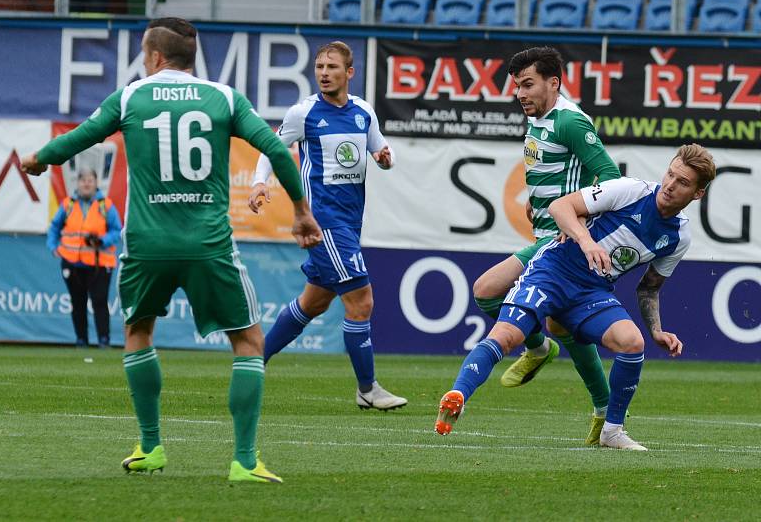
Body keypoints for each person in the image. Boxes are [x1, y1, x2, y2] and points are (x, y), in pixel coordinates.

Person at [20, 17, 322, 483]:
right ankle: (244, 461)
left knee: (139, 332)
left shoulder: (131, 97)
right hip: (208, 244)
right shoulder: (223, 98)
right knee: (248, 342)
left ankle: (150, 446)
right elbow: (279, 152)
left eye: (144, 54)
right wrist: (301, 212)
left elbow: (80, 139)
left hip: (146, 245)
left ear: (156, 57)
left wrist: (39, 160)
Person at [436, 144, 715, 450]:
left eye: (683, 183)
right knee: (505, 335)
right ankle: (458, 396)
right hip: (553, 272)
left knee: (633, 342)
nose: (670, 185)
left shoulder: (678, 237)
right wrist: (586, 240)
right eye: (670, 174)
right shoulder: (631, 191)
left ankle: (612, 430)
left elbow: (649, 287)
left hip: (591, 293)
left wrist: (657, 330)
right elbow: (560, 207)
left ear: (698, 194)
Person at [471, 46, 622, 444]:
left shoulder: (571, 121)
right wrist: (535, 209)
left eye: (528, 84)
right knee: (559, 323)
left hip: (560, 244)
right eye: (517, 86)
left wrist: (579, 221)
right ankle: (598, 404)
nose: (520, 93)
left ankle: (540, 351)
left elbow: (609, 176)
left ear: (553, 83)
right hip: (540, 236)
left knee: (487, 292)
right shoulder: (539, 119)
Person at [248, 41, 407, 411]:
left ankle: (253, 363)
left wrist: (385, 159)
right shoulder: (303, 113)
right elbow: (272, 148)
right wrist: (260, 182)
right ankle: (368, 389)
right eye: (319, 66)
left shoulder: (363, 111)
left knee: (313, 302)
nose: (323, 72)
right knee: (361, 301)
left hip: (350, 222)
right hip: (324, 223)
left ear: (349, 72)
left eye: (332, 67)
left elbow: (383, 152)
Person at [47, 166, 121, 349]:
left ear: (96, 183)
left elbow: (117, 230)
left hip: (99, 263)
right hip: (72, 262)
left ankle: (104, 340)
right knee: (77, 302)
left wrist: (102, 240)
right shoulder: (68, 204)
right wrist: (53, 246)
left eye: (90, 180)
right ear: (77, 183)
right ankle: (81, 340)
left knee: (99, 302)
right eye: (83, 180)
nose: (86, 184)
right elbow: (54, 227)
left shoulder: (106, 205)